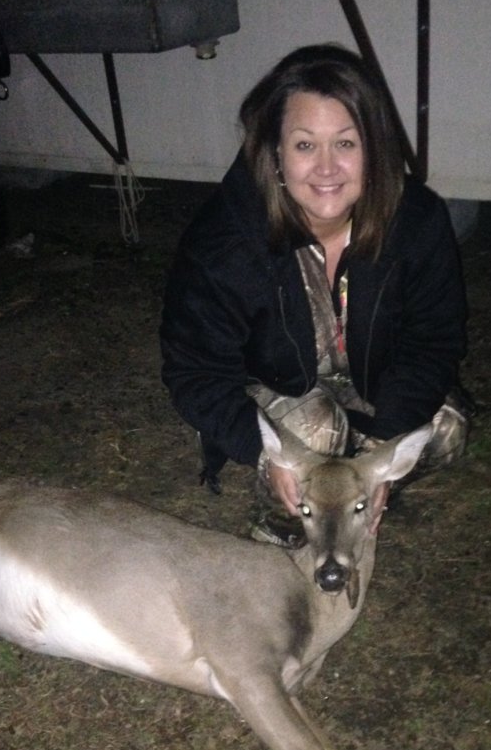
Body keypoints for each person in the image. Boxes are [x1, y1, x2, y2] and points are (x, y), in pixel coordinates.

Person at [161, 43, 471, 545]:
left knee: (444, 429)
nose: (327, 169)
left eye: (345, 143)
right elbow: (194, 372)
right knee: (315, 435)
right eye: (305, 145)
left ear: (374, 150)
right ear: (275, 154)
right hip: (273, 385)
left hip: (370, 380)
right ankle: (284, 523)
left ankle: (350, 495)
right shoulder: (224, 241)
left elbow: (432, 341)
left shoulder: (417, 222)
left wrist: (379, 453)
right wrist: (257, 448)